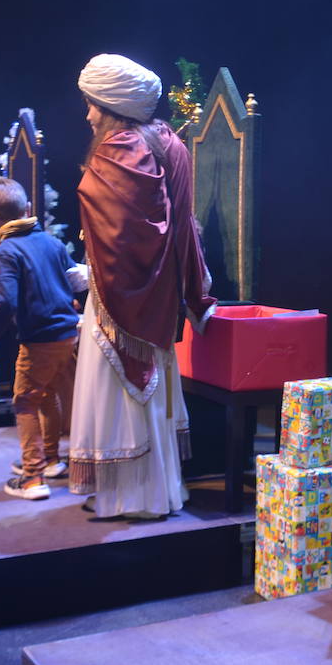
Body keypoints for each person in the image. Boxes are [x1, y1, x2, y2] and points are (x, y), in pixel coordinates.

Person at [70, 53, 217, 518]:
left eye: (93, 104)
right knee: (145, 395)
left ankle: (134, 496)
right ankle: (158, 489)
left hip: (125, 295)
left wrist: (91, 262)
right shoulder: (165, 138)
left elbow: (125, 236)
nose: (88, 114)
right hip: (156, 292)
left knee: (120, 392)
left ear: (112, 105)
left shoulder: (123, 147)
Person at [0, 176, 79, 500]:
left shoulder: (8, 250)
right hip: (67, 335)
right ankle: (52, 460)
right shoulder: (53, 243)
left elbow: (5, 302)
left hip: (40, 338)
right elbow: (74, 280)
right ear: (28, 208)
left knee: (25, 401)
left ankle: (32, 478)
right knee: (47, 395)